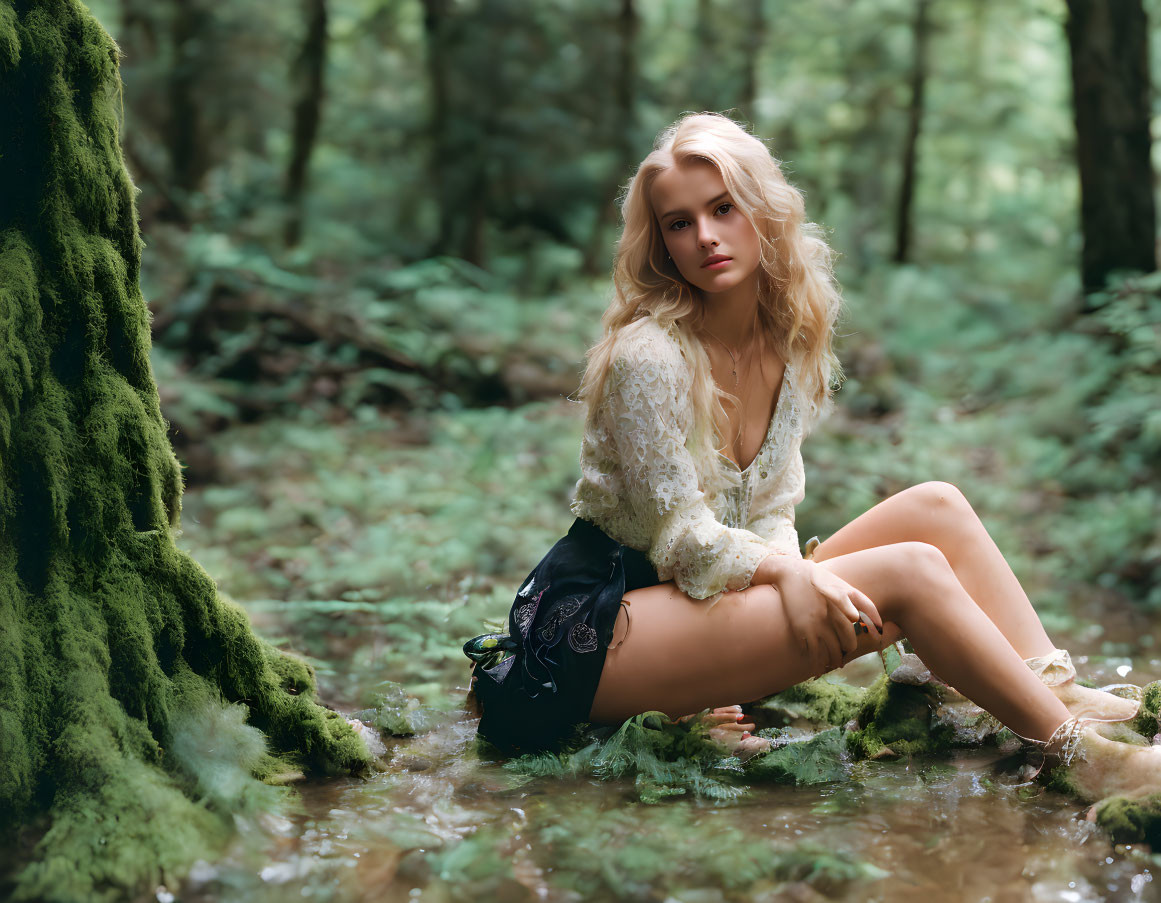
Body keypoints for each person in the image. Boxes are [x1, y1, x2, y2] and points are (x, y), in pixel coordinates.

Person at [463, 112, 1159, 797]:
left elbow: (770, 508)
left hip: (707, 606)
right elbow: (679, 537)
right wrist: (786, 578)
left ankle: (1056, 693)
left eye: (723, 208)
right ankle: (1075, 756)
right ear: (661, 244)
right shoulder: (648, 357)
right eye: (679, 223)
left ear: (762, 212)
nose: (705, 236)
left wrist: (787, 575)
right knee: (909, 571)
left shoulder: (785, 342)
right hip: (600, 631)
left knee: (936, 507)